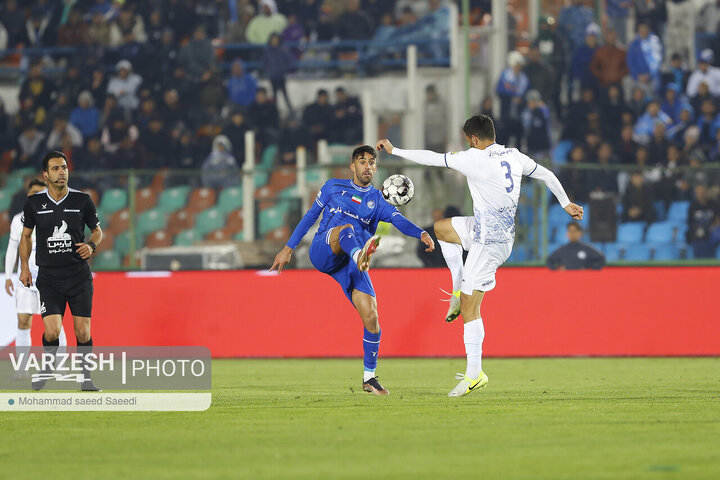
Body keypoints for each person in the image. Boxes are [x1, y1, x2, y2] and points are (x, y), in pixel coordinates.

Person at [376, 114, 583, 397]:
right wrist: (566, 202)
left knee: (471, 309)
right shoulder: (514, 155)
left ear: (473, 139)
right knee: (442, 228)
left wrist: (394, 150)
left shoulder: (473, 158)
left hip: (490, 243)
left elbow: (432, 158)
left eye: (467, 140)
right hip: (491, 230)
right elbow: (546, 174)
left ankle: (475, 375)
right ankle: (456, 288)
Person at [269, 146, 435, 396]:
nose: (367, 166)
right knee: (347, 228)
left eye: (371, 162)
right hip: (325, 249)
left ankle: (369, 379)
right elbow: (310, 217)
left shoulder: (379, 200)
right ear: (352, 166)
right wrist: (288, 248)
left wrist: (421, 232)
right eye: (362, 162)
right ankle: (360, 255)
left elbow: (399, 220)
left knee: (372, 318)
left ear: (376, 167)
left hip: (349, 264)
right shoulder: (333, 187)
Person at [19, 151, 103, 392]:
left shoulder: (82, 201)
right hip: (49, 278)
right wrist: (24, 267)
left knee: (83, 332)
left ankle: (86, 379)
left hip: (78, 276)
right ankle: (47, 367)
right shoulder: (34, 203)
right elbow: (26, 237)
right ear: (46, 175)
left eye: (64, 167)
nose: (61, 172)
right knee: (52, 330)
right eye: (55, 168)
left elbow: (97, 231)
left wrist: (91, 245)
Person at [5, 179, 68, 378]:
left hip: (51, 278)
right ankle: (22, 369)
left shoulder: (56, 218)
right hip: (25, 279)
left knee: (55, 324)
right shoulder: (18, 219)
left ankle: (60, 366)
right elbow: (12, 248)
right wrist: (8, 275)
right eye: (33, 193)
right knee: (23, 321)